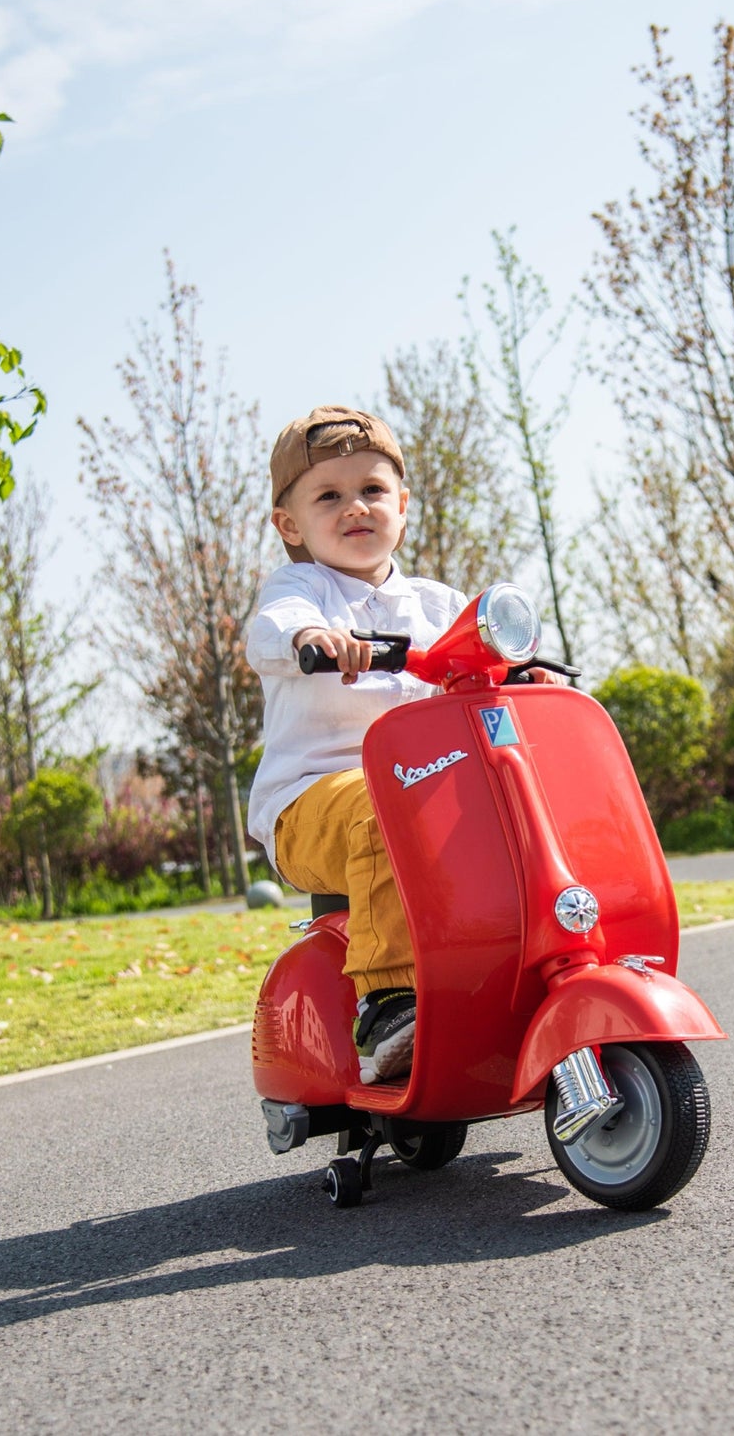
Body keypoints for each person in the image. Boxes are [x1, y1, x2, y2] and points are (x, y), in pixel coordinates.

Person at [245, 405, 466, 1084]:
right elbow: (272, 628)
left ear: (401, 503)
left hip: (413, 790)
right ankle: (388, 1001)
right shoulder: (300, 590)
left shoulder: (436, 603)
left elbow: (482, 645)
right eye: (329, 496)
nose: (355, 508)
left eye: (372, 490)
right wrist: (311, 640)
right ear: (290, 525)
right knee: (385, 806)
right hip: (309, 805)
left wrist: (524, 667)